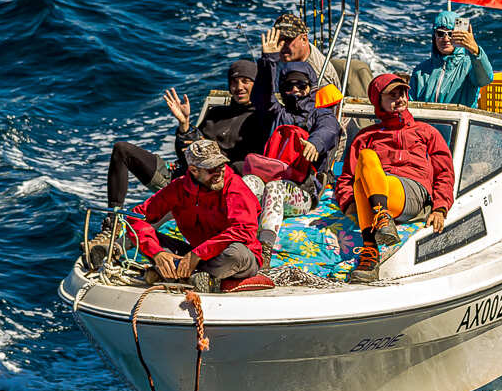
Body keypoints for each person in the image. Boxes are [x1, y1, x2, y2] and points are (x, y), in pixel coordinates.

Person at [85, 60, 265, 269]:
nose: (239, 87)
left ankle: (118, 248)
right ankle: (113, 225)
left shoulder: (261, 118)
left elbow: (244, 223)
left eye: (246, 81)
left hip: (212, 183)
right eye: (234, 81)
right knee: (122, 149)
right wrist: (185, 125)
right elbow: (188, 151)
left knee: (170, 210)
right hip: (186, 176)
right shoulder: (216, 113)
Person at [334, 73, 454, 283]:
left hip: (412, 192)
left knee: (366, 182)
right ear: (378, 101)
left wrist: (440, 208)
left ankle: (374, 238)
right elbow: (346, 178)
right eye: (392, 95)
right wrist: (348, 203)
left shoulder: (426, 132)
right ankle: (373, 248)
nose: (399, 99)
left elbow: (444, 173)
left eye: (402, 93)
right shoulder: (365, 137)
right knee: (366, 160)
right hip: (376, 197)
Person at [244, 27, 341, 263]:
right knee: (248, 183)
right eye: (288, 86)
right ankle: (237, 237)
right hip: (268, 179)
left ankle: (264, 250)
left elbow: (330, 130)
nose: (294, 91)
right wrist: (268, 61)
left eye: (300, 85)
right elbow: (261, 99)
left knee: (275, 188)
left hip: (302, 192)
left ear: (310, 86)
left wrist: (314, 144)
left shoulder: (320, 114)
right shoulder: (277, 113)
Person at [125, 140, 262, 293]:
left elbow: (245, 231)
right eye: (211, 169)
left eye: (221, 166)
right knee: (138, 236)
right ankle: (187, 274)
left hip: (234, 257)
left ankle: (177, 275)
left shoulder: (235, 186)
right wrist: (157, 253)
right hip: (195, 256)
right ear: (194, 170)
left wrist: (197, 254)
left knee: (235, 253)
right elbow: (135, 217)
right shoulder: (178, 188)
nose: (219, 173)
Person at [409, 11, 494, 106]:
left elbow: (485, 79)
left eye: (451, 34)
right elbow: (410, 103)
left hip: (461, 120)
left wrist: (475, 51)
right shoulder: (420, 70)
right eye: (440, 33)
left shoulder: (470, 66)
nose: (446, 39)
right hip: (425, 120)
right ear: (434, 36)